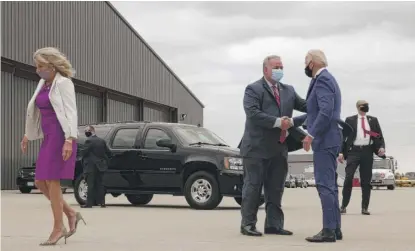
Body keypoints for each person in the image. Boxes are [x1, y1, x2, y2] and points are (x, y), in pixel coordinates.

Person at [21, 47, 85, 245]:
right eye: (37, 66)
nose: (38, 70)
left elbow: (71, 112)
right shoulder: (43, 83)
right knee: (40, 182)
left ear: (52, 65)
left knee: (52, 181)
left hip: (61, 136)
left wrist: (69, 139)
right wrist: (27, 134)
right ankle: (71, 213)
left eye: (41, 66)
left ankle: (59, 228)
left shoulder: (64, 83)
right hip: (48, 137)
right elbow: (36, 112)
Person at [239, 55, 307, 237]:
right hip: (256, 149)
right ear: (265, 69)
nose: (280, 70)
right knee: (253, 187)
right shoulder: (253, 89)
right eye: (276, 66)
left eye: (282, 67)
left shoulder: (289, 91)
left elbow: (307, 106)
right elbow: (253, 114)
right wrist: (278, 122)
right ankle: (248, 224)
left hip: (279, 148)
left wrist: (321, 102)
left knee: (276, 188)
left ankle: (274, 225)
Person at [298, 49, 343, 243]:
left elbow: (325, 111)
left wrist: (310, 135)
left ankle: (328, 230)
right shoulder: (326, 79)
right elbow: (315, 113)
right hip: (331, 138)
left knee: (325, 185)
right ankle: (335, 228)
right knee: (331, 186)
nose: (305, 66)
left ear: (312, 63)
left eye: (306, 62)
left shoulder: (323, 80)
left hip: (325, 140)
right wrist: (293, 121)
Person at [338, 100, 385, 215]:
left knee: (366, 181)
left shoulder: (372, 120)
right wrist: (340, 152)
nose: (365, 108)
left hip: (367, 151)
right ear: (358, 107)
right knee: (348, 178)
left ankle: (364, 208)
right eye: (363, 106)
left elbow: (378, 135)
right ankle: (343, 205)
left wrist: (381, 147)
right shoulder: (350, 120)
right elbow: (343, 137)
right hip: (353, 151)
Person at [80, 125, 112, 208]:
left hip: (91, 167)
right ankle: (102, 203)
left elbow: (83, 153)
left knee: (90, 185)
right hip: (100, 166)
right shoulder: (102, 141)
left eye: (86, 131)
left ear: (90, 131)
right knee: (100, 184)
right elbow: (108, 153)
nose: (85, 133)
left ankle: (89, 203)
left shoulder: (88, 141)